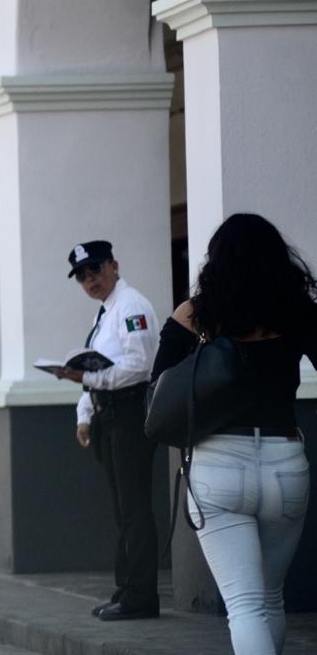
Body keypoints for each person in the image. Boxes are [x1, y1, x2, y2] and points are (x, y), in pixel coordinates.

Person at [150, 214, 315, 654]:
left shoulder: (197, 312)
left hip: (218, 465)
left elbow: (160, 386)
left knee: (244, 606)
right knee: (269, 596)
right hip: (285, 463)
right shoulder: (296, 309)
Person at [54, 241, 160, 620]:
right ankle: (126, 590)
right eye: (82, 276)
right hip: (107, 416)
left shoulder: (131, 306)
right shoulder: (105, 313)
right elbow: (95, 370)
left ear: (114, 265)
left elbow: (139, 366)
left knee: (134, 509)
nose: (90, 280)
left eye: (95, 270)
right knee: (122, 510)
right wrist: (84, 415)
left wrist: (84, 377)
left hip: (129, 414)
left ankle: (142, 596)